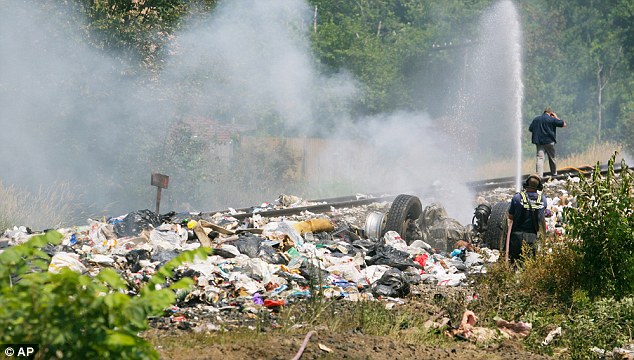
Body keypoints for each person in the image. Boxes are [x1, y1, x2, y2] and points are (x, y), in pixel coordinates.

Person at [506, 174, 547, 263]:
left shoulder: (517, 197)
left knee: (514, 265)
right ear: (539, 186)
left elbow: (510, 217)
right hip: (532, 237)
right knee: (529, 265)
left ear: (526, 183)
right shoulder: (542, 199)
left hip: (516, 237)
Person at [528, 107, 567, 178]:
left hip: (539, 142)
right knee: (552, 158)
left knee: (540, 158)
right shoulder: (552, 119)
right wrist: (556, 117)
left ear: (544, 112)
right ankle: (554, 174)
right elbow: (564, 124)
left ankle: (539, 176)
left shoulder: (536, 119)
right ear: (550, 113)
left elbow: (530, 129)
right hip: (549, 142)